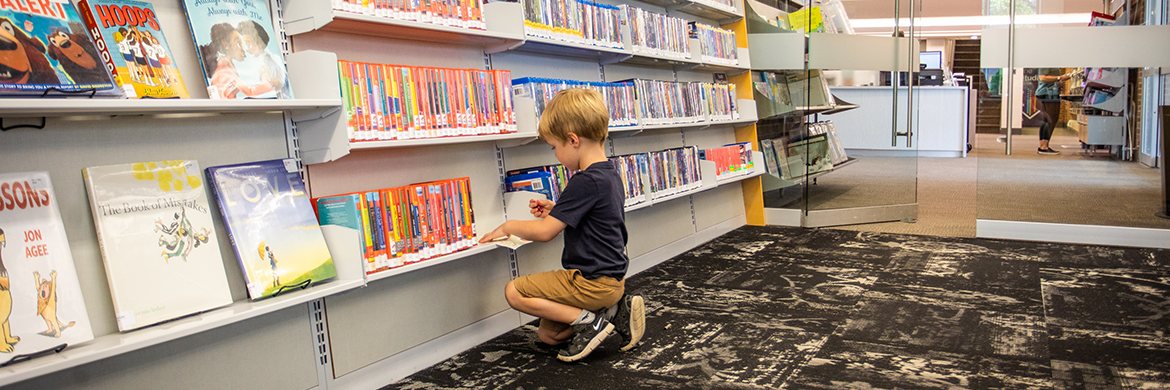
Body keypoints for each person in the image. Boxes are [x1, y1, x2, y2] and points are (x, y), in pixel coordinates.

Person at [478, 89, 646, 363]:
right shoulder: (609, 174)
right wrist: (557, 210)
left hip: (590, 282)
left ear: (573, 140)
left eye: (555, 147)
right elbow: (598, 218)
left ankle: (591, 322)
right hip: (613, 282)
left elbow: (545, 233)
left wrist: (510, 225)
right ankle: (613, 311)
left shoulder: (583, 181)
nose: (556, 155)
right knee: (549, 336)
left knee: (514, 291)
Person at [1031, 68, 1070, 155]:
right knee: (1051, 119)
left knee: (1047, 120)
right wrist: (1060, 77)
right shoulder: (1047, 62)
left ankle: (1043, 145)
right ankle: (1044, 147)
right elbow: (1043, 78)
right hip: (1048, 94)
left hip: (1051, 93)